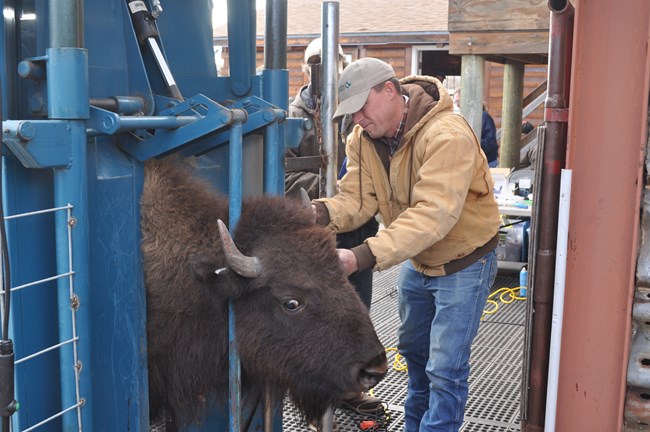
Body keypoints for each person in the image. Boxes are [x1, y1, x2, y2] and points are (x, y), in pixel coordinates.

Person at [311, 58, 500, 432]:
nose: (358, 120)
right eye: (351, 114)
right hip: (419, 258)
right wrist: (314, 214)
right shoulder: (363, 140)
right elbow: (357, 201)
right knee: (414, 355)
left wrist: (360, 256)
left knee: (445, 369)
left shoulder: (447, 135)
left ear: (390, 91)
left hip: (464, 262)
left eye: (362, 108)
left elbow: (432, 215)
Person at [284, 39, 383, 419]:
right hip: (318, 230)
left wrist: (354, 194)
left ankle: (349, 388)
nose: (323, 70)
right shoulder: (294, 114)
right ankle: (318, 400)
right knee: (315, 317)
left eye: (331, 63)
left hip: (357, 229)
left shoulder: (356, 111)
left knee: (357, 308)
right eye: (316, 64)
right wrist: (333, 191)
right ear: (307, 68)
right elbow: (287, 174)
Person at [453, 88, 499, 167]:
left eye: (458, 101)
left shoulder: (485, 117)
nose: (457, 105)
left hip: (486, 162)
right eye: (455, 102)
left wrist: (468, 144)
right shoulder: (461, 117)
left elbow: (490, 142)